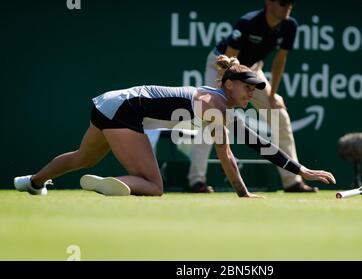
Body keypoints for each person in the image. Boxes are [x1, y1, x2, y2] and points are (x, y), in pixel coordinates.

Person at [13, 55, 336, 197]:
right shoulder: (215, 104)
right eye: (248, 87)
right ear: (229, 84)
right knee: (153, 185)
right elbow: (241, 148)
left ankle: (30, 182)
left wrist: (291, 172)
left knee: (83, 157)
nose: (252, 93)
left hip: (109, 102)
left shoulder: (216, 101)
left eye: (254, 89)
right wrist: (293, 172)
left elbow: (238, 148)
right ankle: (108, 182)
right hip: (125, 110)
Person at [187, 0, 315, 193]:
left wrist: (272, 96)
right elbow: (230, 60)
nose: (287, 6)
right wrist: (221, 94)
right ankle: (197, 180)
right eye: (282, 2)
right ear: (269, 3)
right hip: (222, 66)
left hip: (252, 70)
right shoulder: (248, 22)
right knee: (210, 119)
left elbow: (280, 60)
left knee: (279, 115)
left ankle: (292, 181)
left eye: (290, 3)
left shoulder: (289, 26)